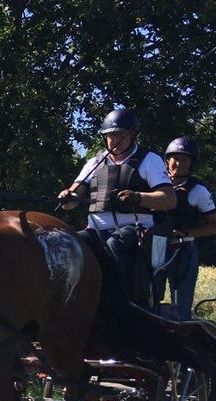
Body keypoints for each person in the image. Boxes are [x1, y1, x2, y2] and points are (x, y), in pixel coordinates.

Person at [58, 107, 177, 307]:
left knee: (115, 245)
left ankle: (116, 303)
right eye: (109, 136)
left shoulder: (149, 160)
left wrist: (138, 197)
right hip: (95, 229)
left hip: (136, 229)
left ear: (132, 135)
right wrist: (68, 197)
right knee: (69, 243)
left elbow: (169, 199)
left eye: (120, 135)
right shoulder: (94, 163)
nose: (114, 141)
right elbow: (73, 199)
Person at [163, 136, 216, 320]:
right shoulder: (155, 185)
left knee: (181, 306)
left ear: (191, 164)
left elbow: (214, 226)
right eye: (175, 158)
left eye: (184, 159)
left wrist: (187, 233)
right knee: (146, 297)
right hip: (153, 247)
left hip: (183, 249)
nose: (178, 163)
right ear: (167, 160)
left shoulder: (198, 191)